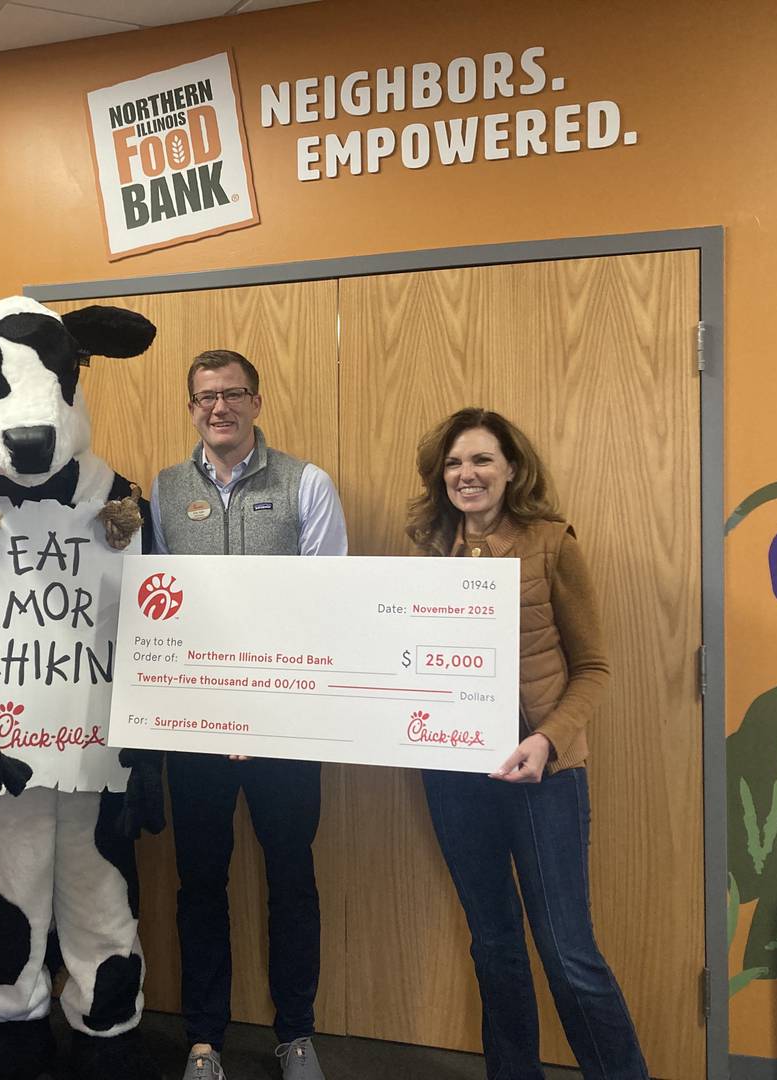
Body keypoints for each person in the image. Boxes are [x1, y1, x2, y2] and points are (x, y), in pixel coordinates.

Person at [402, 407, 648, 1080]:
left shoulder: (551, 542)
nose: (467, 474)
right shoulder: (427, 550)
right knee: (494, 947)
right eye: (454, 463)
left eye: (481, 460)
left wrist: (546, 741)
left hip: (542, 768)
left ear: (512, 469)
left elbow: (593, 668)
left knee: (568, 952)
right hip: (454, 771)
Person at [150, 349, 346, 1080]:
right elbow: (164, 613)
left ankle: (296, 1034)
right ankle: (205, 1040)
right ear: (192, 407)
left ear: (257, 402)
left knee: (292, 876)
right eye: (205, 397)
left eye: (233, 394)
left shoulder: (308, 484)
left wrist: (261, 712)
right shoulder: (167, 492)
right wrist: (215, 712)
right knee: (199, 882)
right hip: (197, 731)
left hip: (287, 727)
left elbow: (329, 605)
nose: (219, 408)